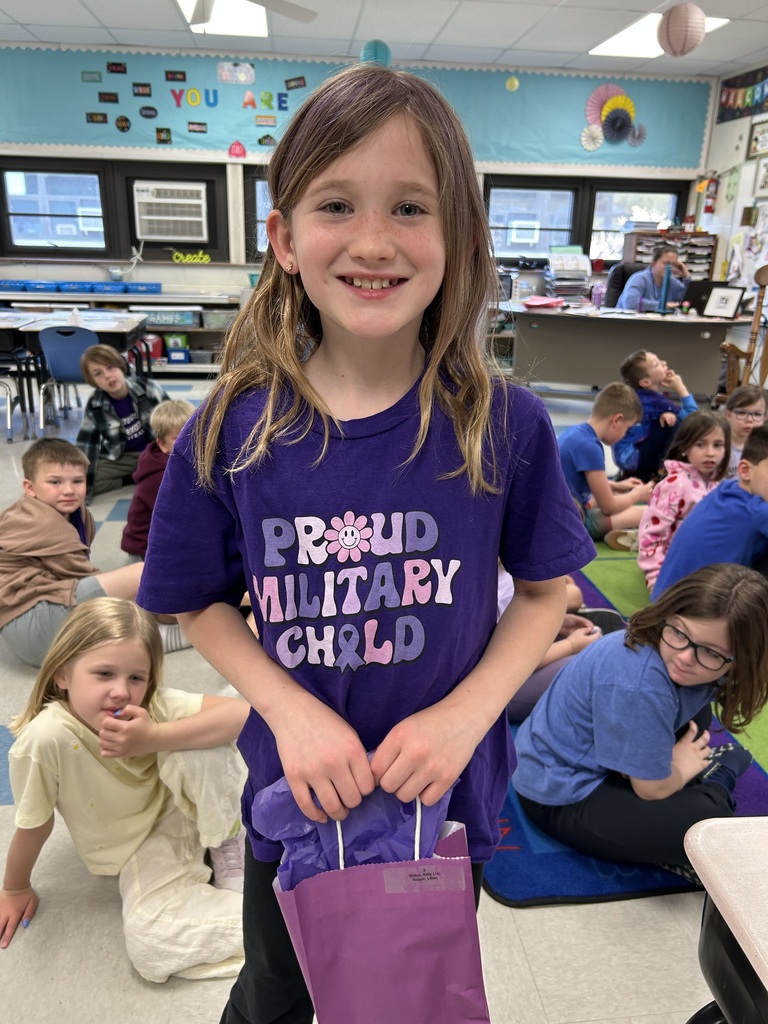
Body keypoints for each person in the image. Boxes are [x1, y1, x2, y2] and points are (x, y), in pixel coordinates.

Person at [135, 63, 595, 1024]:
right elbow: (196, 601)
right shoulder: (230, 429)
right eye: (337, 204)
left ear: (458, 237)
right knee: (273, 995)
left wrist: (466, 717)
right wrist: (289, 713)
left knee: (406, 997)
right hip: (297, 794)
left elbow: (545, 594)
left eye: (411, 208)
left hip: (441, 802)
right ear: (284, 239)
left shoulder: (505, 424)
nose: (374, 242)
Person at [0, 598, 250, 982]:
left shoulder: (151, 705)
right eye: (104, 674)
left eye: (136, 678)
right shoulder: (45, 740)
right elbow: (35, 824)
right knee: (150, 942)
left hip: (196, 806)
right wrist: (15, 886)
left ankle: (228, 842)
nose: (122, 691)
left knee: (201, 742)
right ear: (62, 674)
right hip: (144, 845)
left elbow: (242, 714)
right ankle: (284, 927)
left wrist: (153, 738)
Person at [513, 564, 768, 874]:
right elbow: (650, 790)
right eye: (679, 632)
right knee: (712, 826)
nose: (685, 657)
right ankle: (717, 778)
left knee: (695, 708)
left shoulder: (671, 654)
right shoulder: (641, 683)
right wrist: (677, 770)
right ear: (667, 614)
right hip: (559, 793)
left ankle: (682, 785)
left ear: (743, 658)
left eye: (712, 653)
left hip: (603, 760)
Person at [0, 438, 188, 665]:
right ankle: (177, 631)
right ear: (30, 487)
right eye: (55, 482)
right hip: (33, 629)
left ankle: (174, 622)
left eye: (77, 481)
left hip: (32, 616)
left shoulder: (64, 511)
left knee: (143, 591)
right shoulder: (42, 522)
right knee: (140, 576)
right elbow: (85, 578)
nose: (69, 490)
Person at [652, 425, 768, 599]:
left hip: (666, 599)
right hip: (694, 609)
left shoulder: (728, 488)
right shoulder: (756, 508)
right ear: (744, 471)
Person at [497, 565, 622, 722]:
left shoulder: (502, 576)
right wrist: (571, 645)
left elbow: (517, 626)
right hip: (500, 692)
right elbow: (518, 660)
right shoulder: (499, 588)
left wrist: (556, 622)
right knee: (593, 665)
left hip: (513, 661)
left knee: (594, 659)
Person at [632, 411, 729, 591]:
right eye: (700, 445)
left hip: (702, 567)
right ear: (685, 447)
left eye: (718, 445)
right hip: (671, 567)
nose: (710, 453)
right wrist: (655, 577)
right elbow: (653, 533)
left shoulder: (720, 486)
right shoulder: (675, 484)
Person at [558, 381, 654, 543]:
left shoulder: (576, 433)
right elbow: (608, 507)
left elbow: (575, 480)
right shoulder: (590, 446)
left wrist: (616, 486)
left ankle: (624, 532)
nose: (624, 435)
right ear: (617, 420)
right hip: (568, 525)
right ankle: (638, 536)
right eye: (627, 429)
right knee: (645, 511)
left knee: (616, 497)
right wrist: (637, 495)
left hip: (561, 513)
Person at [76, 344, 169, 499]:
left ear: (120, 366)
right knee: (83, 481)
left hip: (154, 453)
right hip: (121, 458)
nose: (107, 376)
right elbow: (86, 443)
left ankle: (146, 474)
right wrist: (77, 474)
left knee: (175, 473)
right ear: (93, 381)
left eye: (110, 367)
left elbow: (173, 423)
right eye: (98, 374)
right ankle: (132, 478)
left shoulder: (147, 387)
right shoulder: (95, 404)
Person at [121, 399, 195, 559]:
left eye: (194, 434)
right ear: (162, 444)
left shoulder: (179, 459)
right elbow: (180, 518)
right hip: (145, 548)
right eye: (179, 437)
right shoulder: (160, 476)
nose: (190, 442)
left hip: (163, 537)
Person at [611, 348, 699, 484]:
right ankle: (659, 474)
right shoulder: (652, 401)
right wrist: (680, 387)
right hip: (632, 457)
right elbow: (694, 419)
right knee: (676, 424)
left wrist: (664, 414)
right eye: (656, 364)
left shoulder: (640, 396)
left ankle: (642, 473)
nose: (664, 363)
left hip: (625, 456)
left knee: (669, 418)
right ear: (645, 382)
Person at [615, 245, 691, 312]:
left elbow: (688, 301)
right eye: (666, 263)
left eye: (674, 264)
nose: (670, 267)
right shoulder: (639, 278)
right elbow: (630, 303)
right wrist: (664, 305)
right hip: (629, 322)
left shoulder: (672, 282)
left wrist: (686, 276)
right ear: (653, 264)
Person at [723, 384, 767, 477]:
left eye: (757, 414)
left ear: (765, 417)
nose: (749, 419)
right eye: (742, 413)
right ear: (728, 415)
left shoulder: (764, 448)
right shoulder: (718, 446)